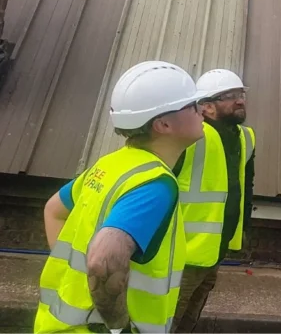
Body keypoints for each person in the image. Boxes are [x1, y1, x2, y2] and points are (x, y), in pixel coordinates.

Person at [35, 61, 207, 333]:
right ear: (163, 124)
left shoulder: (110, 165)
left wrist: (78, 279)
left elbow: (53, 210)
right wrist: (118, 327)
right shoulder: (155, 185)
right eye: (193, 105)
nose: (202, 111)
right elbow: (103, 261)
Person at [171, 69, 256, 332]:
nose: (240, 100)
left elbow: (245, 187)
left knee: (189, 318)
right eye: (228, 96)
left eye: (240, 94)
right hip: (181, 253)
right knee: (165, 320)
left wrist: (245, 229)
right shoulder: (189, 136)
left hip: (214, 248)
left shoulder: (246, 138)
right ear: (206, 106)